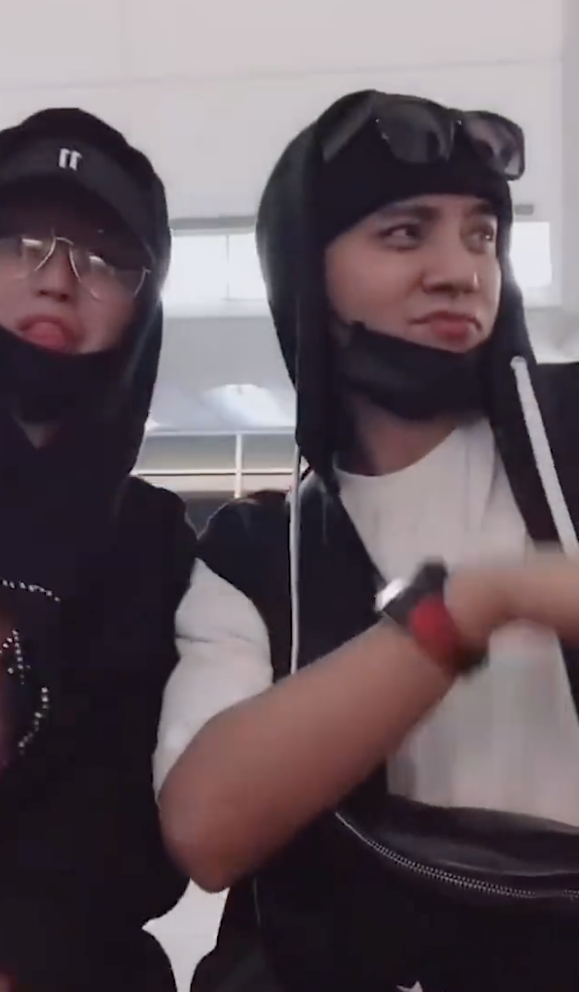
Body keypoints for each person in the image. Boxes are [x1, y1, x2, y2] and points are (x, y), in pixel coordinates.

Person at [154, 90, 579, 992]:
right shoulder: (257, 555)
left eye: (481, 236)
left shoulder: (567, 445)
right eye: (404, 233)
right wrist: (472, 605)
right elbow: (207, 830)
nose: (459, 271)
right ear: (308, 274)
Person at [0, 109, 194, 992]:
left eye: (104, 258)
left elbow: (123, 821)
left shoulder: (153, 545)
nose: (57, 279)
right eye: (18, 244)